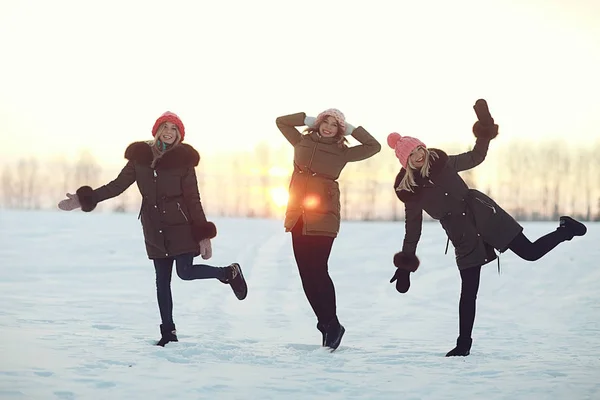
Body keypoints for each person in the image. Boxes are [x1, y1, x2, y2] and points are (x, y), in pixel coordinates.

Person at [387, 100, 587, 357]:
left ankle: (565, 229)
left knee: (530, 252)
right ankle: (463, 345)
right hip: (462, 235)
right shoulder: (410, 192)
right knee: (468, 291)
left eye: (419, 149)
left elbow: (476, 156)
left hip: (484, 214)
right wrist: (405, 266)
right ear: (405, 161)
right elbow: (412, 230)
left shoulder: (442, 163)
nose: (419, 155)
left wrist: (484, 128)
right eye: (412, 154)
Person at [58, 111, 248, 347]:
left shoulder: (184, 160)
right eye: (165, 127)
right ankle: (168, 333)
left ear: (180, 134)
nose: (169, 132)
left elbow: (193, 198)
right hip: (154, 226)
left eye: (174, 129)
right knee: (162, 281)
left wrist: (204, 235)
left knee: (185, 272)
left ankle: (228, 273)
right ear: (157, 130)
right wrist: (85, 198)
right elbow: (116, 186)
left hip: (181, 225)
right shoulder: (140, 158)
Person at [275, 108, 382, 350]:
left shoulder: (342, 151)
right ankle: (326, 324)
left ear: (339, 131)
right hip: (297, 214)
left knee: (318, 270)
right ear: (318, 123)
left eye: (335, 125)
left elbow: (373, 146)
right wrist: (305, 119)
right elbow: (281, 122)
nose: (328, 128)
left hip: (323, 215)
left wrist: (352, 129)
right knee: (305, 273)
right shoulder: (300, 140)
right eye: (325, 122)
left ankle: (332, 324)